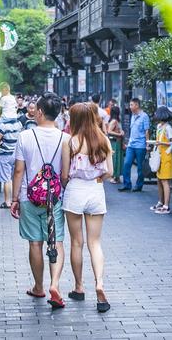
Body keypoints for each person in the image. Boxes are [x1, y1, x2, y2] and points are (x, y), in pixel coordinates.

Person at [10, 93, 70, 309]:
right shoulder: (65, 138)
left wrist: (14, 198)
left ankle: (39, 286)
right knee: (57, 241)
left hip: (29, 196)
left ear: (41, 112)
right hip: (55, 199)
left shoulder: (25, 136)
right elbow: (65, 173)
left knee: (35, 242)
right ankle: (55, 284)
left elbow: (18, 170)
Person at [60, 102, 113, 313]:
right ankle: (99, 284)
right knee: (95, 242)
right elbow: (108, 171)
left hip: (75, 191)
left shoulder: (70, 142)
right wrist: (98, 178)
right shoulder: (104, 140)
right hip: (96, 190)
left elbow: (64, 174)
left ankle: (79, 287)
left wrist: (68, 185)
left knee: (76, 242)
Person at [0, 106, 22, 209]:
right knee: (15, 178)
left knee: (7, 179)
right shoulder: (19, 124)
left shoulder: (3, 126)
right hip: (16, 154)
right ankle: (16, 199)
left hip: (5, 155)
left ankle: (8, 202)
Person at [119, 98, 150, 192]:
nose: (130, 106)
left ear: (137, 105)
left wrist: (147, 144)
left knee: (140, 167)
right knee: (126, 164)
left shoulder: (144, 116)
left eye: (132, 105)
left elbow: (147, 131)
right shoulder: (132, 115)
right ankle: (127, 184)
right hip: (131, 145)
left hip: (140, 145)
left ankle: (139, 185)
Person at [150, 106, 172, 214]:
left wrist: (162, 143)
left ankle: (166, 206)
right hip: (160, 156)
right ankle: (160, 202)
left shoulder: (168, 128)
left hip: (166, 157)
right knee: (159, 180)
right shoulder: (159, 126)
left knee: (165, 181)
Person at [106, 106, 124, 184]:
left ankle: (117, 177)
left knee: (117, 159)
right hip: (116, 142)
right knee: (116, 159)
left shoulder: (114, 121)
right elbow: (109, 131)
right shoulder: (114, 121)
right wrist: (119, 134)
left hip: (117, 142)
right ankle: (115, 176)